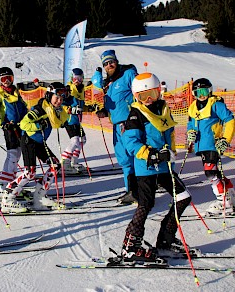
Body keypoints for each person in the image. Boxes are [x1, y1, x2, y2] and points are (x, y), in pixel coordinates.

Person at [121, 72, 192, 261]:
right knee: (146, 204)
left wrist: (171, 152)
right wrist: (151, 154)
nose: (149, 99)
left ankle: (165, 240)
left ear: (159, 91)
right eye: (143, 96)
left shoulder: (163, 109)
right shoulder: (136, 114)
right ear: (137, 97)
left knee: (183, 197)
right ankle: (130, 246)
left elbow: (169, 135)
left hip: (165, 166)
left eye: (152, 93)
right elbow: (131, 142)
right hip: (146, 167)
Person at [2, 82, 69, 213]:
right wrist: (38, 126)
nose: (59, 101)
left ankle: (39, 197)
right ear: (49, 95)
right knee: (30, 173)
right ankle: (8, 197)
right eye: (57, 97)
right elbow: (23, 124)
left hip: (39, 142)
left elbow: (64, 117)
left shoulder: (56, 109)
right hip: (28, 141)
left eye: (62, 98)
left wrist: (73, 111)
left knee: (55, 166)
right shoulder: (39, 110)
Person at [187, 78, 235, 215]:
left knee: (210, 172)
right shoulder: (193, 107)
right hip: (201, 145)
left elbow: (230, 120)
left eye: (205, 91)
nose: (202, 95)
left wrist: (225, 139)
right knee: (215, 172)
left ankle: (223, 201)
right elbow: (190, 124)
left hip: (213, 144)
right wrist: (190, 132)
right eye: (198, 92)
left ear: (210, 91)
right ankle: (230, 194)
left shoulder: (215, 105)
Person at [96, 49, 138, 204]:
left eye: (111, 62)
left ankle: (141, 189)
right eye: (106, 64)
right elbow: (113, 104)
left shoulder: (127, 74)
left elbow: (139, 93)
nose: (109, 65)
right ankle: (131, 190)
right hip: (117, 125)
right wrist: (104, 111)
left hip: (130, 123)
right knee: (124, 159)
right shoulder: (108, 83)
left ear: (116, 61)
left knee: (135, 156)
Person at [0, 67, 28, 196]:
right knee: (12, 154)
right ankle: (4, 184)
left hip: (20, 126)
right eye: (4, 79)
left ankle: (10, 181)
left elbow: (24, 107)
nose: (7, 82)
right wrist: (2, 123)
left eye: (9, 78)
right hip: (9, 127)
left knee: (17, 154)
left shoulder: (15, 92)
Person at [61, 68, 88, 174]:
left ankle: (74, 161)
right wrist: (69, 109)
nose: (78, 81)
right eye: (75, 79)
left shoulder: (81, 90)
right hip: (69, 119)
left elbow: (81, 105)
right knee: (75, 141)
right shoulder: (68, 89)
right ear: (71, 78)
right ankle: (65, 164)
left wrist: (89, 108)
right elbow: (59, 104)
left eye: (80, 79)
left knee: (82, 140)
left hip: (77, 120)